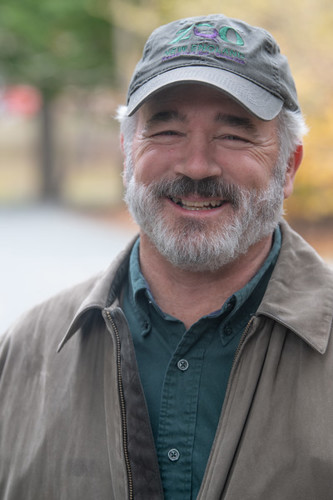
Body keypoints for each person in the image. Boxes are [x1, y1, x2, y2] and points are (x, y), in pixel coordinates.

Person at [1, 13, 333, 500]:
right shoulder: (26, 354)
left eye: (235, 134)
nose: (196, 165)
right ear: (127, 152)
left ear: (288, 166)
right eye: (166, 130)